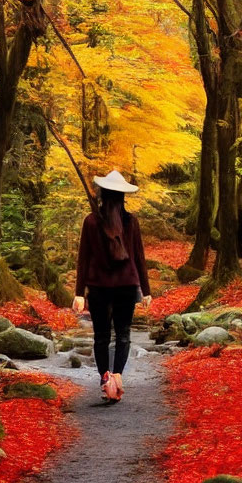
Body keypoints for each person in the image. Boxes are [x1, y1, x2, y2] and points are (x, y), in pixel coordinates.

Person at [72, 170, 152, 402]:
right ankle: (116, 376)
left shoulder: (91, 221)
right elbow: (139, 257)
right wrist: (145, 291)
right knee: (124, 334)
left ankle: (105, 378)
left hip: (98, 287)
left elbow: (83, 258)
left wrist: (79, 293)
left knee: (102, 336)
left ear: (102, 194)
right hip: (127, 285)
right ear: (122, 197)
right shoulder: (131, 221)